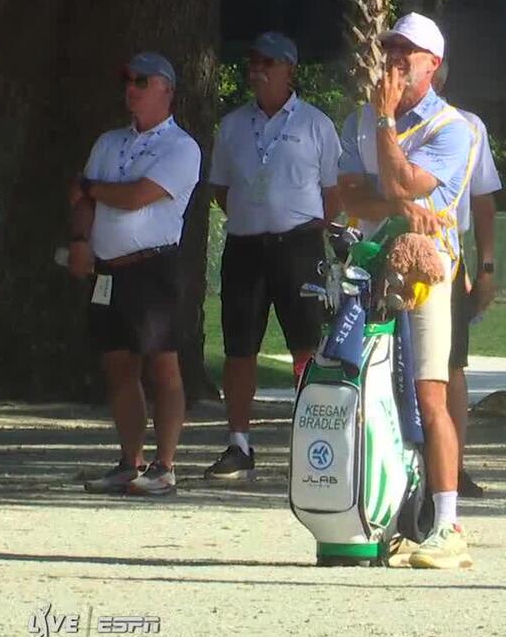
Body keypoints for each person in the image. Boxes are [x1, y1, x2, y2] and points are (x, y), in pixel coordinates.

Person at [338, 12, 477, 569]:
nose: (396, 57)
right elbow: (350, 198)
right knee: (377, 395)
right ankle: (393, 519)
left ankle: (449, 525)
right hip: (374, 266)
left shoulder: (453, 128)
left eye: (409, 51)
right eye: (391, 46)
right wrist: (396, 202)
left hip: (428, 276)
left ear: (433, 65)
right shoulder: (363, 118)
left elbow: (396, 180)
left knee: (430, 396)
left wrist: (387, 127)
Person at [204, 32, 343, 480]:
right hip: (245, 247)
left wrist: (296, 227)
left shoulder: (316, 124)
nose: (256, 70)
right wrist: (255, 218)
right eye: (252, 61)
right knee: (239, 348)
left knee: (306, 345)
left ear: (289, 69)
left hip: (299, 246)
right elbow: (221, 189)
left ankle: (309, 442)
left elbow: (332, 194)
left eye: (267, 62)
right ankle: (238, 445)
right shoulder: (231, 126)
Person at [71, 52, 202, 497]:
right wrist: (80, 241)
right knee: (118, 365)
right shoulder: (108, 142)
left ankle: (165, 467)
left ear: (166, 89)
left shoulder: (182, 147)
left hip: (153, 268)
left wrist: (91, 188)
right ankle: (131, 461)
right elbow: (83, 200)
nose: (131, 88)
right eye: (128, 80)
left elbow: (137, 196)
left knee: (162, 365)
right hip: (109, 271)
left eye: (142, 81)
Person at [431, 66, 502, 499]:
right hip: (387, 250)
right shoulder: (370, 121)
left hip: (446, 255)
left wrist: (487, 267)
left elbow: (482, 201)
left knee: (452, 363)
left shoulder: (467, 126)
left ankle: (453, 466)